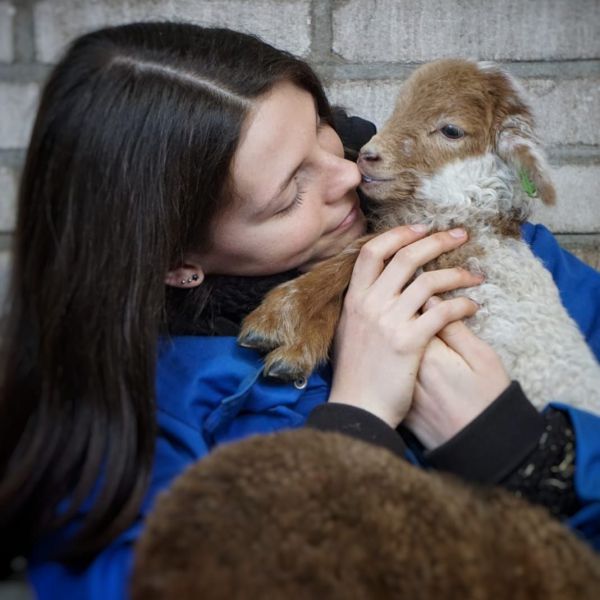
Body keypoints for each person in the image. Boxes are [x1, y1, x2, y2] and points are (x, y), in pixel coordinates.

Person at [0, 22, 598, 600]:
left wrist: (539, 455)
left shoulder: (498, 251)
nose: (349, 171)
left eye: (321, 127)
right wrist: (357, 424)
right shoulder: (141, 419)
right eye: (290, 195)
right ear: (176, 261)